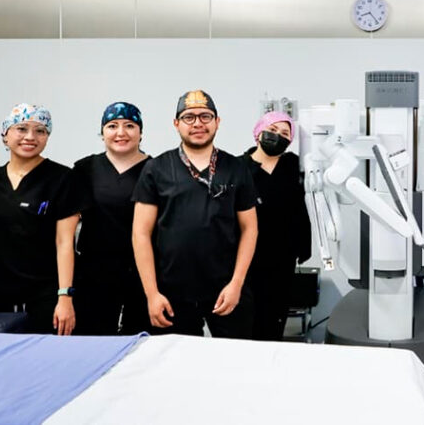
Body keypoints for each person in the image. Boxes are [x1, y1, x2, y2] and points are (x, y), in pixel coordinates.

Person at [131, 90, 259, 338]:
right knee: (177, 359)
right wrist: (152, 294)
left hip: (226, 287)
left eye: (205, 116)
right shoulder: (156, 168)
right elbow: (140, 234)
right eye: (189, 117)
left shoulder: (236, 168)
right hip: (171, 291)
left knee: (236, 357)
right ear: (176, 123)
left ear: (217, 122)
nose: (198, 123)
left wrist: (236, 284)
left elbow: (250, 229)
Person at [0, 104, 82, 335]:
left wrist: (65, 297)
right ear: (5, 135)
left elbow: (65, 242)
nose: (30, 137)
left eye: (40, 131)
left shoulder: (63, 178)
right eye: (22, 129)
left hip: (45, 296)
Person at [68, 102, 152, 335]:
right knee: (94, 341)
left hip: (142, 273)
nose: (120, 132)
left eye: (129, 125)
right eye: (112, 126)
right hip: (94, 274)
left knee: (141, 342)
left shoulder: (155, 170)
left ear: (141, 132)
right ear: (102, 132)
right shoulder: (85, 169)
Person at [240, 111, 312, 341]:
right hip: (248, 255)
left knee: (275, 315)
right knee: (248, 317)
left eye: (284, 133)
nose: (278, 136)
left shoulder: (293, 165)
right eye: (272, 130)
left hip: (284, 254)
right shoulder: (239, 168)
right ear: (258, 132)